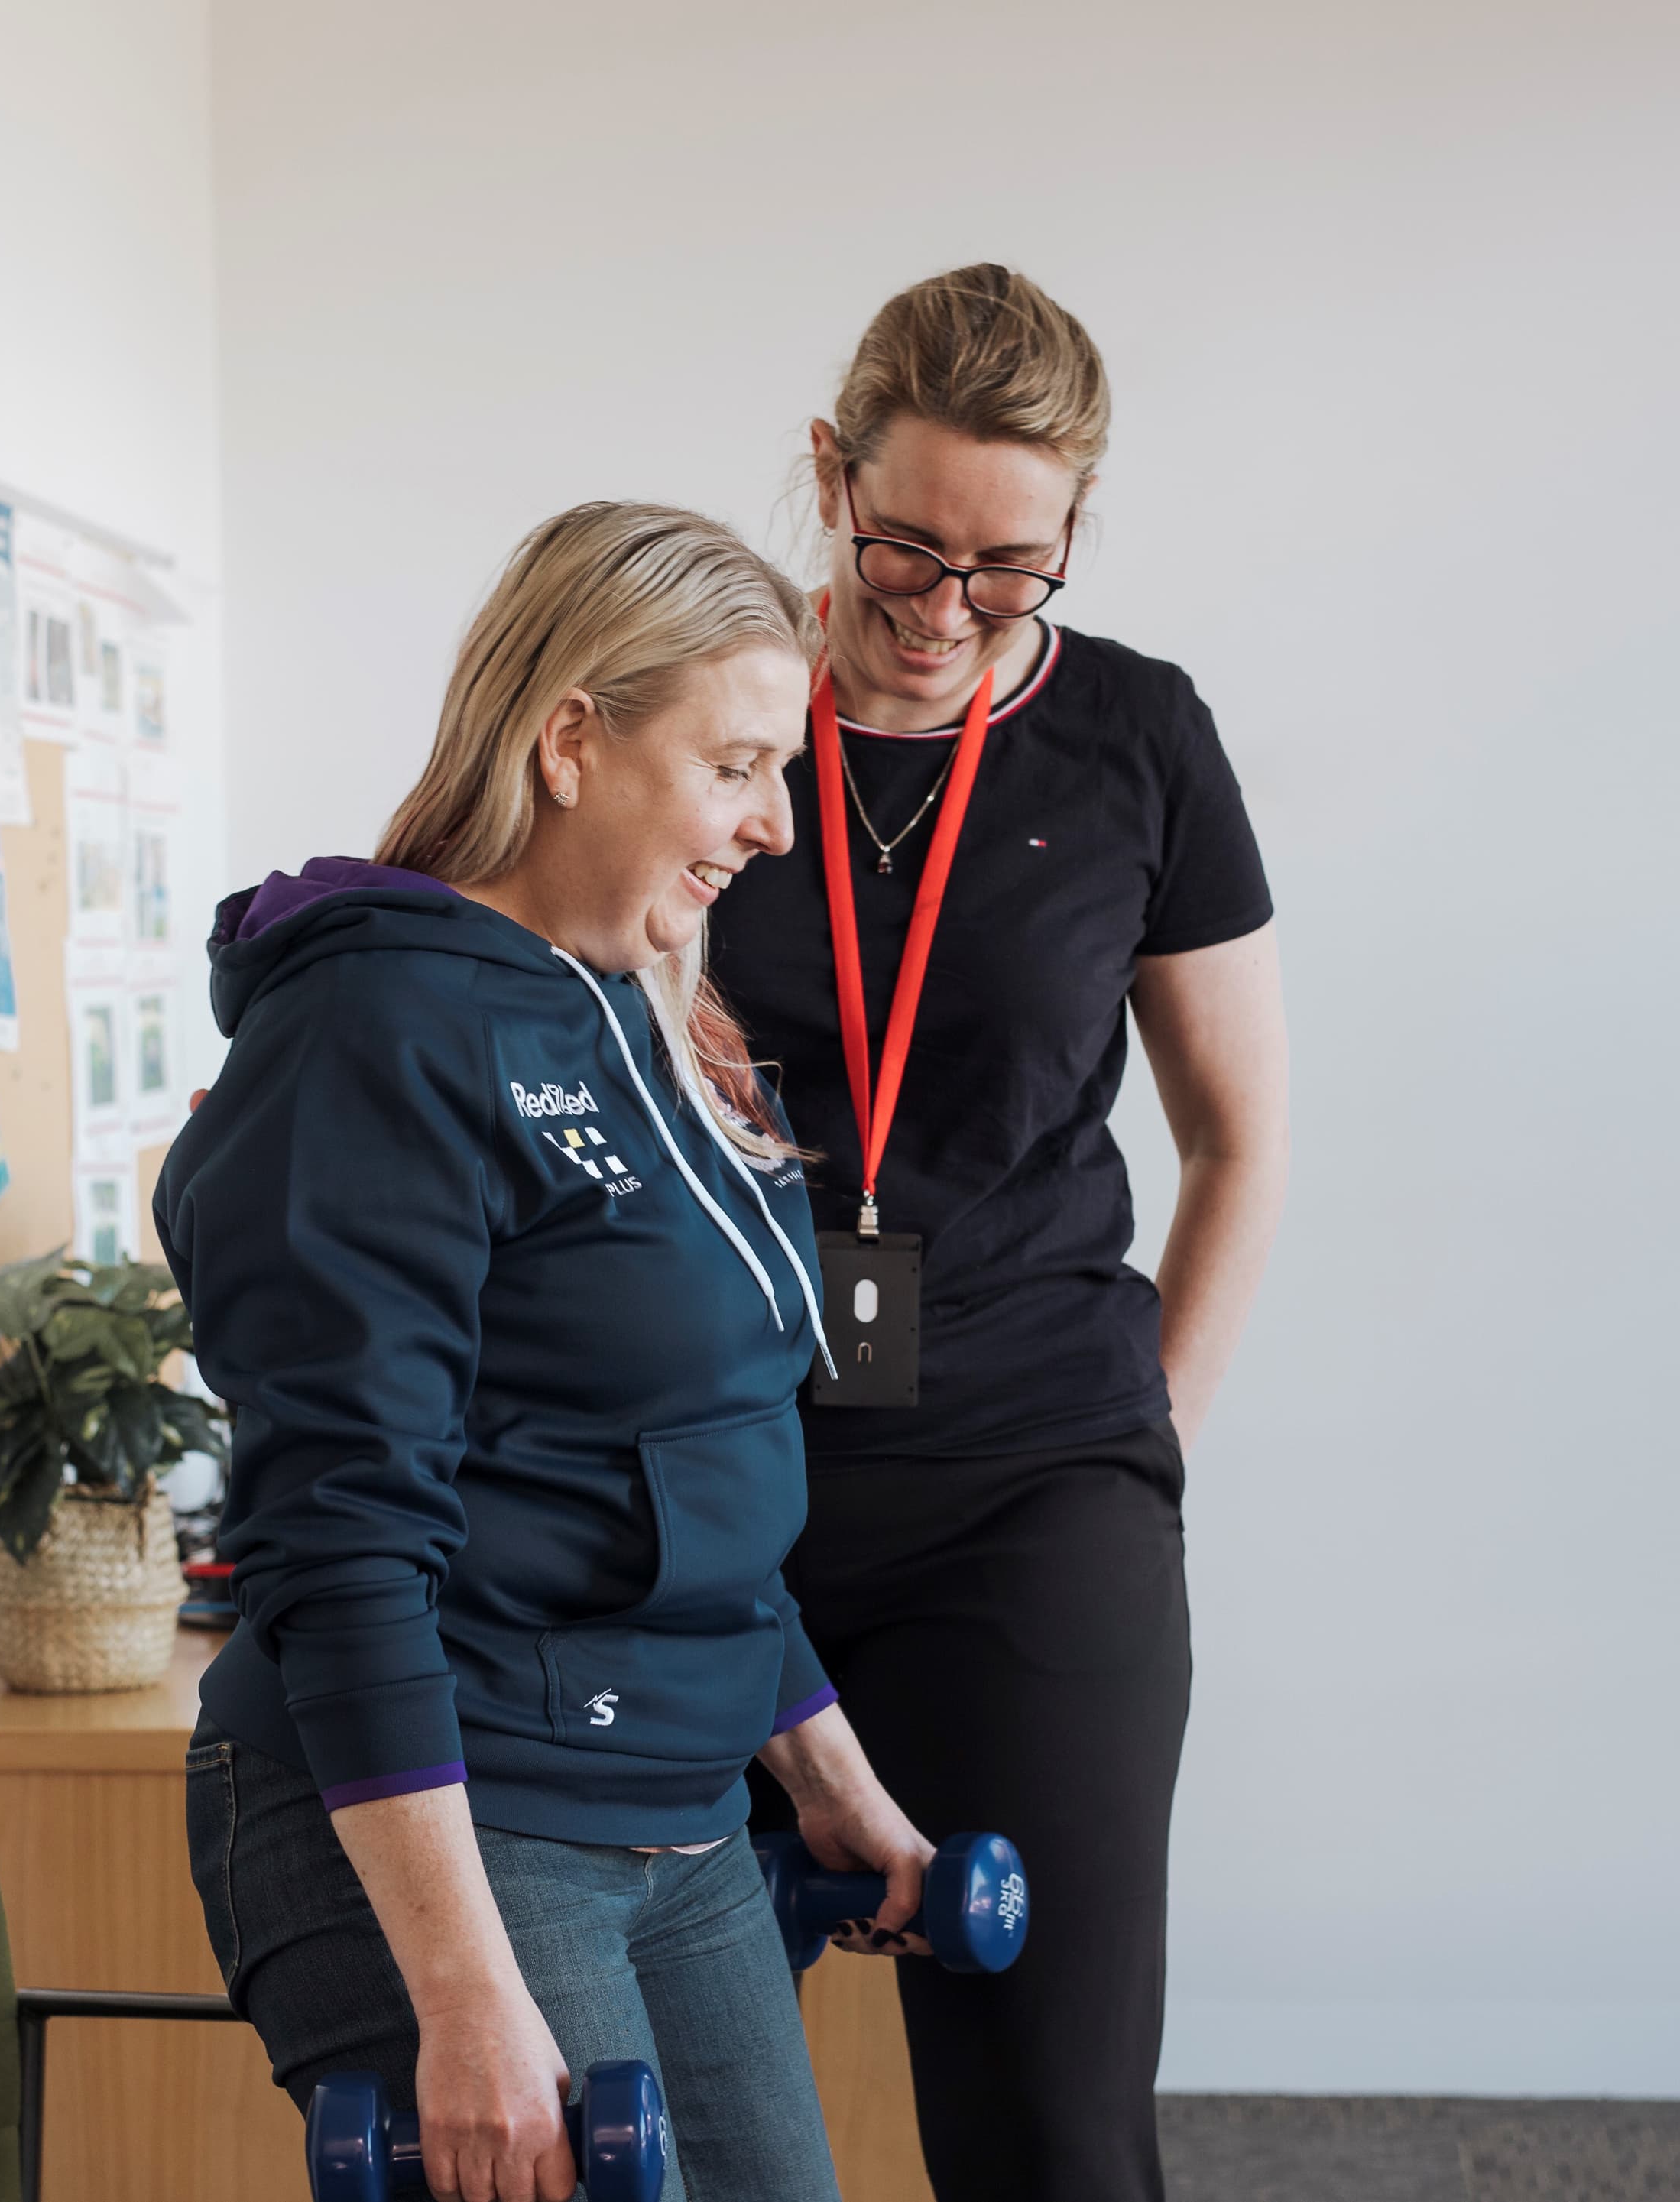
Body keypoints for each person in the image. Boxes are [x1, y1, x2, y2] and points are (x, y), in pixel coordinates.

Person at [157, 504, 935, 2202]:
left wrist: (828, 1771)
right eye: (737, 762)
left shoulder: (650, 1025)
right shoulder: (373, 1026)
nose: (776, 823)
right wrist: (460, 1996)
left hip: (679, 1808)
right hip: (454, 1802)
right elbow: (343, 1542)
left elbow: (682, 1464)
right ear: (572, 737)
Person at [708, 264, 1290, 2200]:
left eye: (1010, 568)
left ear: (1072, 537)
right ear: (827, 475)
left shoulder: (1140, 738)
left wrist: (1151, 1442)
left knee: (1048, 2122)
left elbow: (1238, 1133)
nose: (947, 611)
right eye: (904, 550)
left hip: (1031, 1479)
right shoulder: (695, 708)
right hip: (713, 1474)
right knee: (664, 2110)